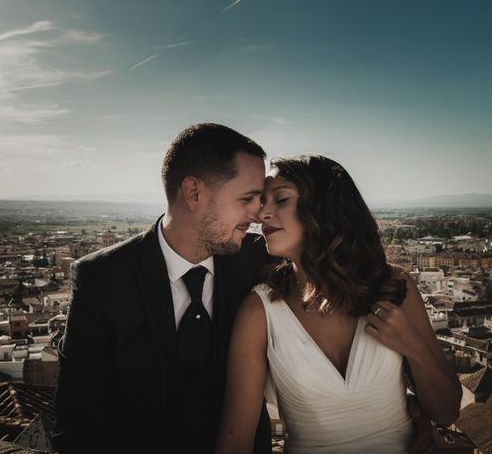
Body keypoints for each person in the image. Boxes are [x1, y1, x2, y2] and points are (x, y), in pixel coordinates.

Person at [216, 155, 462, 454]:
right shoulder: (259, 311)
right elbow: (235, 441)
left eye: (280, 200)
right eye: (262, 201)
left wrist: (414, 347)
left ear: (324, 208)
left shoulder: (394, 288)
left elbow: (447, 412)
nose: (262, 214)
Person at [53, 123, 274, 453]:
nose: (258, 214)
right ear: (194, 193)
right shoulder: (102, 279)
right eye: (247, 199)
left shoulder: (259, 257)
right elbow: (78, 419)